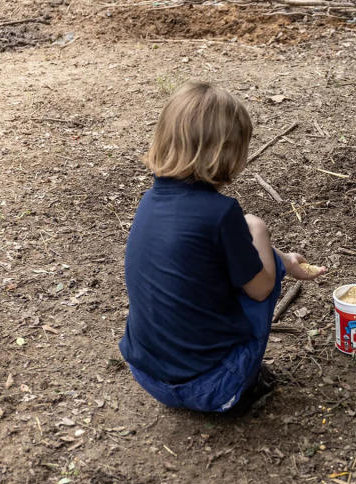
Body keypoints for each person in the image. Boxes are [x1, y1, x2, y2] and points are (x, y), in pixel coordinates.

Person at [119, 81, 324, 413]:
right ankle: (241, 381)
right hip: (210, 389)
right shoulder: (222, 213)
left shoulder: (150, 201)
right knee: (256, 253)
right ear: (226, 151)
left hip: (147, 376)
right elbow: (260, 289)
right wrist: (258, 228)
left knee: (236, 262)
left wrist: (284, 259)